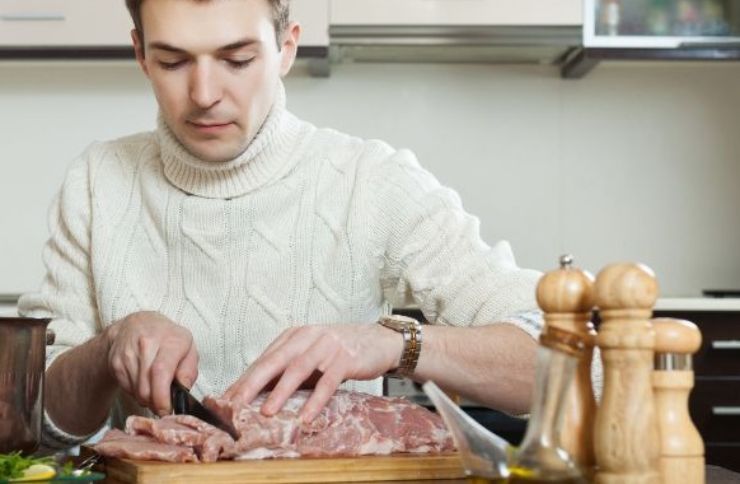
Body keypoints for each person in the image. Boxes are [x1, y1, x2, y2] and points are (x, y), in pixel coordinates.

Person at [19, 0, 544, 450]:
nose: (204, 93)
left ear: (286, 48)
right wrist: (109, 347)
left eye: (238, 59)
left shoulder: (371, 181)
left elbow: (573, 364)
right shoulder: (98, 181)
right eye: (173, 61)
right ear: (140, 55)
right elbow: (35, 424)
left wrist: (393, 344)